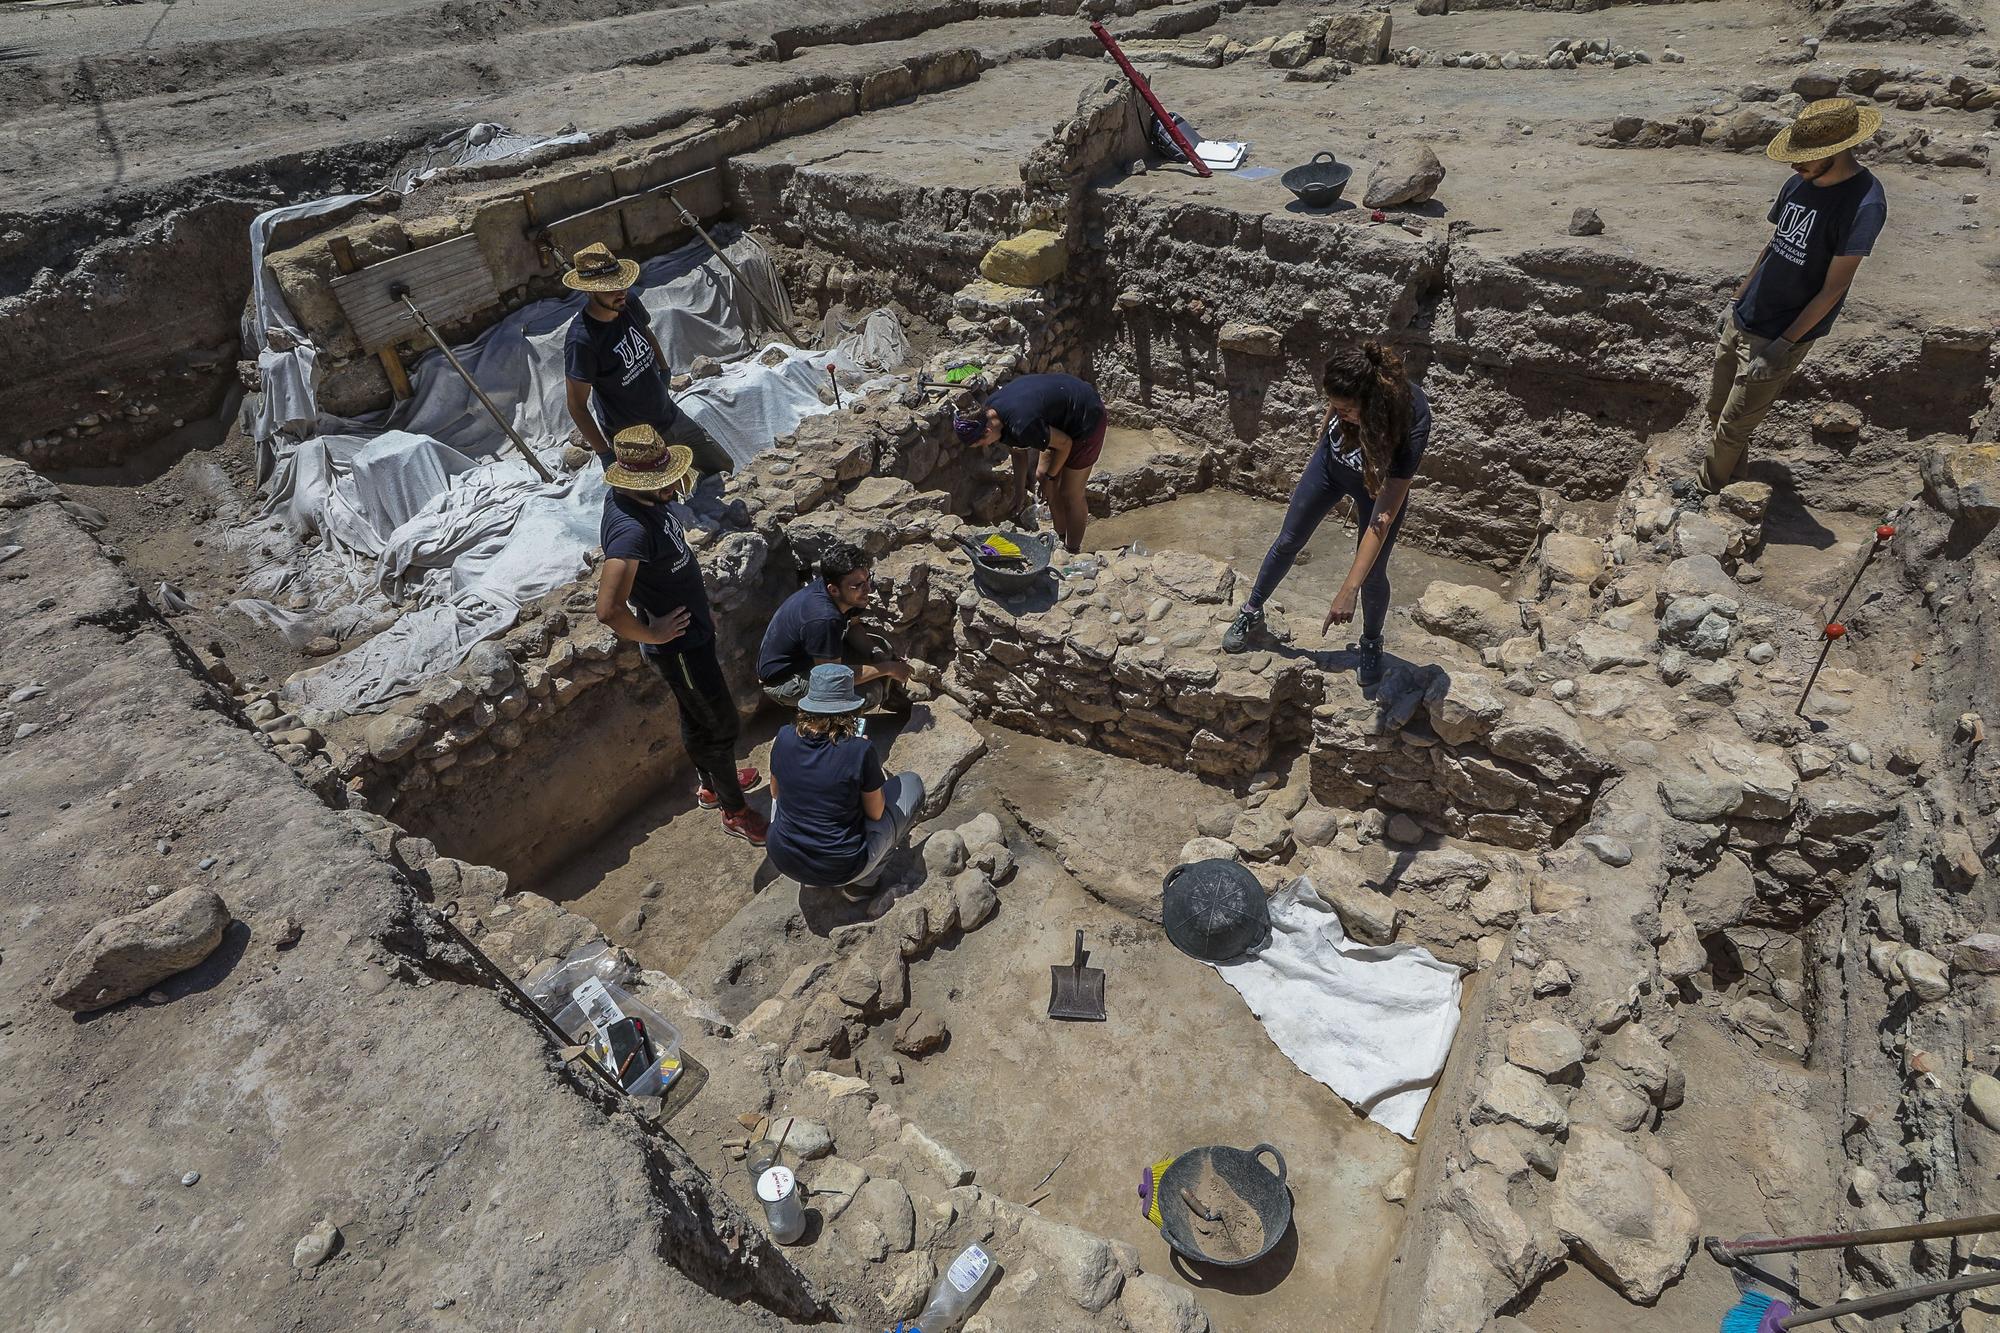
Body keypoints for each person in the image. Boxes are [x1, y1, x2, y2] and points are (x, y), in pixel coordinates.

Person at [1701, 98, 1887, 493]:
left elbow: (1834, 287)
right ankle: (1733, 484)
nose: (1794, 166)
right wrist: (1735, 301)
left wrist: (1783, 346)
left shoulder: (1864, 204)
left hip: (1782, 331)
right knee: (1718, 410)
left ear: (1836, 151)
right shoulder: (1799, 182)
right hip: (1746, 315)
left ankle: (1707, 492)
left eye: (1805, 158)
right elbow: (1774, 244)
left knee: (1735, 424)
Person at [594, 424, 767, 846]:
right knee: (720, 725)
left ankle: (712, 784)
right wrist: (653, 634)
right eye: (665, 481)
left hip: (690, 632)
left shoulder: (642, 504)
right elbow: (607, 609)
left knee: (695, 715)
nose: (673, 485)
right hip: (681, 647)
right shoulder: (630, 530)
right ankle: (735, 810)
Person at [1222, 342, 1431, 689]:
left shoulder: (1411, 417)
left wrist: (1348, 589)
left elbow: (1383, 518)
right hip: (1330, 469)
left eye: (1346, 410)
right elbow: (1334, 410)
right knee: (1288, 539)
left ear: (1373, 404)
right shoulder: (1350, 387)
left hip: (1377, 490)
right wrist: (1323, 440)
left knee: (1373, 575)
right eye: (1333, 406)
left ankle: (1371, 641)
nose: (1337, 413)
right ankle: (1251, 612)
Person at [562, 241, 733, 477]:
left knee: (721, 466)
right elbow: (576, 406)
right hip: (636, 438)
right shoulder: (582, 341)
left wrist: (663, 368)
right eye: (610, 289)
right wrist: (604, 453)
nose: (620, 292)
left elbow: (645, 331)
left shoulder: (627, 302)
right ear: (590, 292)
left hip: (668, 414)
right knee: (664, 498)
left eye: (621, 284)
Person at [766, 664, 927, 898]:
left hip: (785, 858)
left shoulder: (783, 737)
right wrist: (866, 768)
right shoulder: (858, 750)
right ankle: (862, 885)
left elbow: (774, 792)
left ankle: (809, 873)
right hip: (842, 867)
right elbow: (875, 813)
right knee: (912, 784)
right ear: (849, 708)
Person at [954, 372, 1107, 554]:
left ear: (987, 431)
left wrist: (1051, 479)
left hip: (1086, 417)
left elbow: (1065, 444)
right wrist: (1020, 492)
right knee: (1041, 475)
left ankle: (1072, 550)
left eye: (981, 443)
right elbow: (1018, 452)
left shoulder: (1022, 424)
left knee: (1070, 492)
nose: (985, 447)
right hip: (1060, 419)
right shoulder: (991, 413)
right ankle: (1059, 537)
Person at [757, 541, 912, 710]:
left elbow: (853, 627)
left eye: (867, 579)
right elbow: (832, 676)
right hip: (785, 680)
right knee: (868, 693)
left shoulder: (844, 594)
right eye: (858, 585)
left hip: (811, 657)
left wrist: (878, 657)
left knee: (882, 648)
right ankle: (831, 729)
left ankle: (889, 695)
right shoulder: (824, 619)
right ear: (834, 590)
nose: (867, 588)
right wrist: (888, 668)